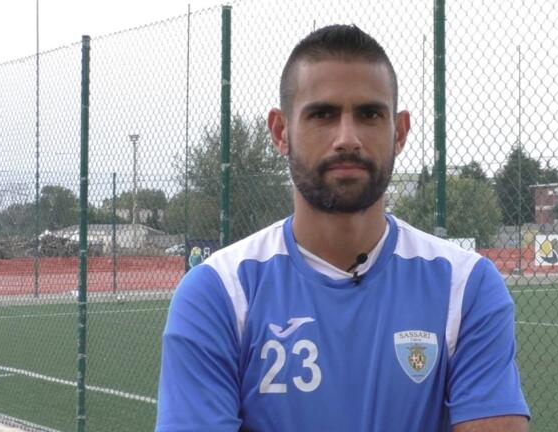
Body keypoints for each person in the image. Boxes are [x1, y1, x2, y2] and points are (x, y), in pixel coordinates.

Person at [156, 24, 530, 432]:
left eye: (369, 114)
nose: (347, 138)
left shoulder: (467, 286)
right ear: (281, 132)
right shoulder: (218, 292)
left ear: (399, 132)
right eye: (322, 115)